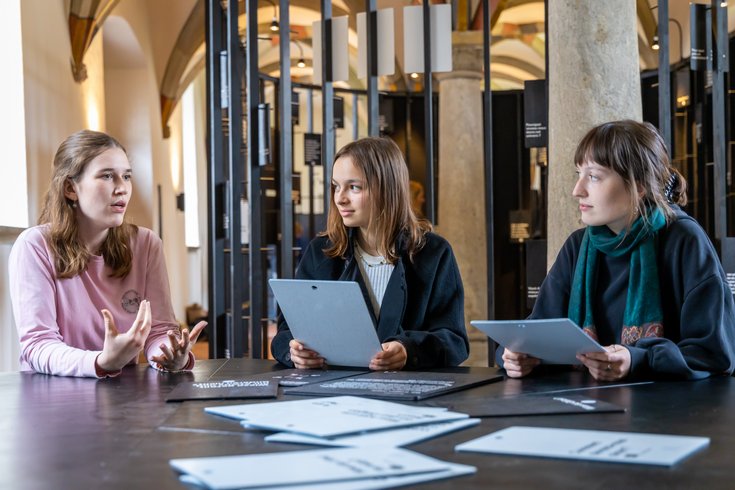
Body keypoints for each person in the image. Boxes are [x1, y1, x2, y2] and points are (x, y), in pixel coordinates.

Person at [501, 120, 735, 381]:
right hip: (584, 407)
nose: (577, 191)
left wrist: (637, 358)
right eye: (578, 175)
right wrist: (518, 355)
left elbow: (713, 353)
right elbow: (539, 329)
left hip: (666, 412)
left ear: (638, 184)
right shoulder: (577, 246)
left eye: (593, 176)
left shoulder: (684, 241)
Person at [9, 130, 206, 378]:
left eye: (126, 176)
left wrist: (170, 355)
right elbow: (38, 345)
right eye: (107, 176)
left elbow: (159, 331)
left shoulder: (146, 244)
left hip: (122, 395)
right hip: (52, 394)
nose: (122, 188)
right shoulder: (34, 246)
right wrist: (102, 361)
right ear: (70, 188)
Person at [271, 137, 469, 370]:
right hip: (331, 395)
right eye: (336, 186)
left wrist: (408, 350)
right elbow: (286, 331)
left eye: (354, 187)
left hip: (406, 396)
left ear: (387, 188)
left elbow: (454, 341)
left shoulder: (434, 253)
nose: (340, 198)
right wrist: (293, 352)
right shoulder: (322, 251)